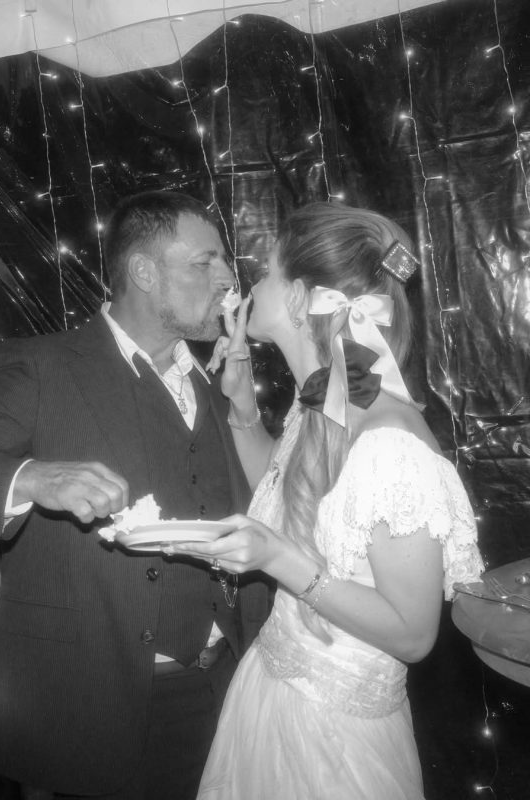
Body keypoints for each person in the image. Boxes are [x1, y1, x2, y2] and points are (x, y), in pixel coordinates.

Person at [0, 190, 271, 800]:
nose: (228, 278)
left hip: (230, 691)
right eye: (206, 262)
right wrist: (31, 478)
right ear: (144, 271)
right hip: (93, 708)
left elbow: (264, 509)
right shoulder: (41, 367)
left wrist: (242, 405)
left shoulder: (218, 382)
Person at [170, 200, 484, 799]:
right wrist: (242, 407)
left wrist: (278, 559)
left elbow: (414, 635)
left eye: (266, 272)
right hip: (271, 697)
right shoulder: (326, 399)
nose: (249, 285)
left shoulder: (390, 444)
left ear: (298, 298)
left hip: (336, 744)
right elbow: (292, 501)